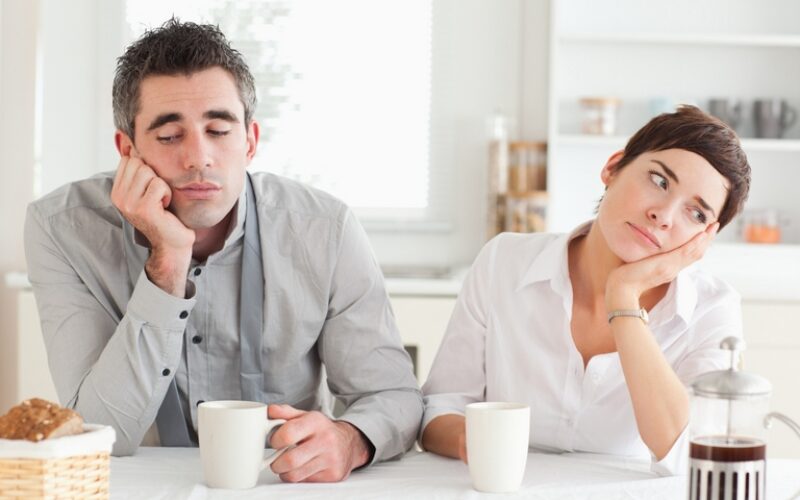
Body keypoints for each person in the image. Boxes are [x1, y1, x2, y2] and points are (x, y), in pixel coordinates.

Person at [24, 19, 422, 483]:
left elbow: (393, 395)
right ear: (127, 150)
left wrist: (350, 438)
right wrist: (168, 261)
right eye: (169, 136)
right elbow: (100, 433)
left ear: (249, 142)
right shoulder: (62, 229)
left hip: (283, 484)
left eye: (218, 130)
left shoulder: (324, 229)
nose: (198, 157)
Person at [420, 106, 751, 476]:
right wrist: (476, 442)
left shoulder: (712, 308)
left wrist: (623, 295)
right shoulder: (504, 261)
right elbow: (441, 408)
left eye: (696, 214)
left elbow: (684, 451)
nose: (664, 215)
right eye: (659, 181)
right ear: (613, 168)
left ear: (705, 238)